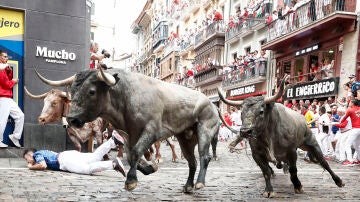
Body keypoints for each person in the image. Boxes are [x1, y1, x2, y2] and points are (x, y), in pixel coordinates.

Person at [23, 133, 126, 176]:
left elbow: (42, 165)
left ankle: (113, 164)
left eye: (26, 158)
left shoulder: (37, 154)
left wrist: (30, 167)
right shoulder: (44, 152)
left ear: (29, 154)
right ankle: (113, 141)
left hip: (64, 161)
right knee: (94, 157)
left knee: (87, 169)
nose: (27, 161)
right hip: (67, 155)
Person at [0, 50, 24, 148]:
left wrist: (9, 71)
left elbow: (7, 79)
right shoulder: (1, 68)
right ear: (0, 57)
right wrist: (14, 81)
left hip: (8, 99)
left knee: (20, 116)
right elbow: (6, 84)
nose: (7, 58)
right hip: (3, 98)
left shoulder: (4, 68)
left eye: (7, 57)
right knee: (2, 120)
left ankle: (15, 137)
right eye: (4, 56)